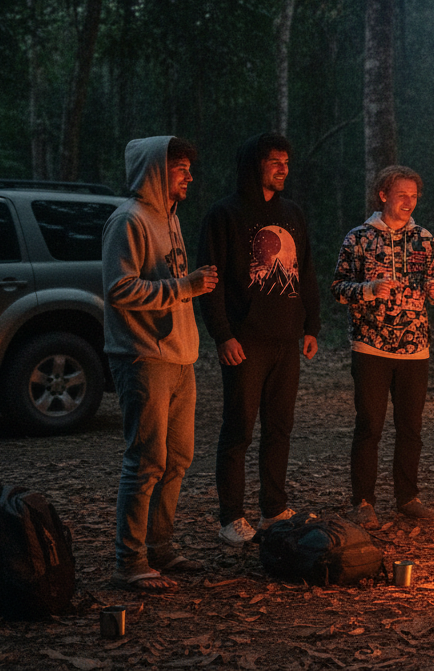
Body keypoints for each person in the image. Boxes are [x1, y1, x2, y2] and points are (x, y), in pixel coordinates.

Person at [103, 136, 218, 593]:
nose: (189, 176)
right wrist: (185, 287)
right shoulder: (129, 219)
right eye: (179, 168)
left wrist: (189, 290)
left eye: (189, 168)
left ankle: (160, 546)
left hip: (179, 356)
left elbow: (173, 283)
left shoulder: (170, 218)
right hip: (142, 355)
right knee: (146, 460)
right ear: (155, 170)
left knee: (178, 458)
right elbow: (119, 289)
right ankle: (129, 561)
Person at [198, 132, 321, 547]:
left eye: (286, 162)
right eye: (274, 162)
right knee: (239, 429)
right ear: (255, 165)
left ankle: (273, 508)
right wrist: (223, 335)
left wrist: (311, 326)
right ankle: (231, 517)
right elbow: (211, 283)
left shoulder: (293, 213)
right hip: (245, 341)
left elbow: (305, 271)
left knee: (280, 428)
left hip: (286, 339)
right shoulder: (224, 215)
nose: (283, 169)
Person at [331, 165, 434, 526]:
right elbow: (338, 289)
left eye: (414, 196)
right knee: (370, 426)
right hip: (371, 347)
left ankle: (407, 497)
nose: (409, 202)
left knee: (411, 427)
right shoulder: (359, 238)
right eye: (401, 195)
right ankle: (363, 501)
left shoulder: (425, 239)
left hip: (415, 348)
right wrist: (367, 289)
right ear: (383, 195)